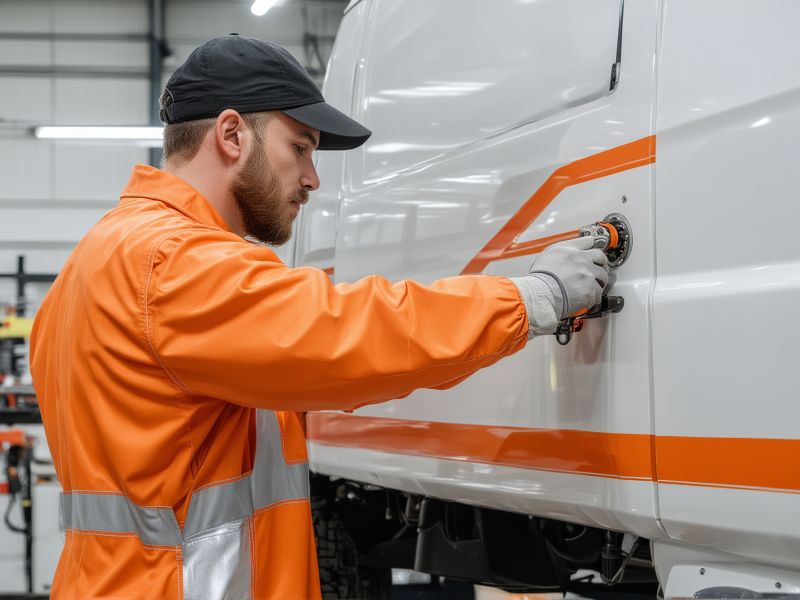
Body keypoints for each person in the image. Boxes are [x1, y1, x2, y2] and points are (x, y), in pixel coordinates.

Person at [30, 35, 608, 599]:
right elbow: (349, 332)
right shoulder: (172, 263)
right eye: (299, 148)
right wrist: (532, 298)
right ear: (231, 134)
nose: (312, 178)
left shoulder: (95, 259)